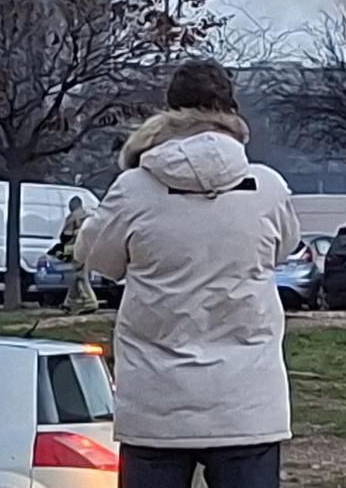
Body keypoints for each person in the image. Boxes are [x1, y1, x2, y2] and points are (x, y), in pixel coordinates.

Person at [76, 59, 301, 488]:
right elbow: (285, 247)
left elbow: (100, 259)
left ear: (168, 110)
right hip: (247, 404)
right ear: (231, 111)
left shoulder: (133, 189)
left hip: (155, 404)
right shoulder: (268, 188)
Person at [58, 196, 98, 315]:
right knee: (76, 276)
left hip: (77, 249)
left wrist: (64, 247)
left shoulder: (73, 217)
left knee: (80, 276)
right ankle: (68, 303)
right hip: (91, 248)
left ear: (72, 206)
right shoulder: (91, 215)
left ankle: (91, 302)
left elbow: (65, 235)